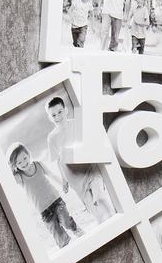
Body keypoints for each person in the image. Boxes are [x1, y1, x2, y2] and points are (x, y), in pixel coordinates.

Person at [45, 96, 115, 224]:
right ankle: (106, 224)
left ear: (66, 110)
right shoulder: (52, 137)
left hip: (90, 169)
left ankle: (115, 218)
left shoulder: (77, 124)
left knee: (100, 197)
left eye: (60, 112)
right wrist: (64, 180)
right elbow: (58, 161)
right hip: (74, 178)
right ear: (50, 118)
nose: (58, 117)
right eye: (54, 115)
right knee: (95, 210)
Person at [8, 143, 83, 248]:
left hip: (56, 200)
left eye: (25, 158)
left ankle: (75, 229)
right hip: (44, 210)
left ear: (28, 154)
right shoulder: (19, 177)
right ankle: (67, 247)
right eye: (19, 162)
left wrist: (63, 183)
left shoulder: (38, 164)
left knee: (66, 221)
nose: (24, 163)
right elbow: (7, 180)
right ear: (15, 165)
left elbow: (51, 174)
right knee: (59, 235)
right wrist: (10, 167)